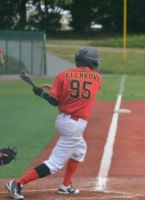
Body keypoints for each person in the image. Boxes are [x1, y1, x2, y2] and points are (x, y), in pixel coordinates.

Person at [5, 47, 103, 200]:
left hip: (65, 121)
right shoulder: (97, 78)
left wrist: (42, 94)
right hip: (73, 125)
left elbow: (54, 101)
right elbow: (81, 94)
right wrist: (55, 93)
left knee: (79, 151)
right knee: (55, 164)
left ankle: (66, 185)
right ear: (90, 62)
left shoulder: (63, 75)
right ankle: (17, 183)